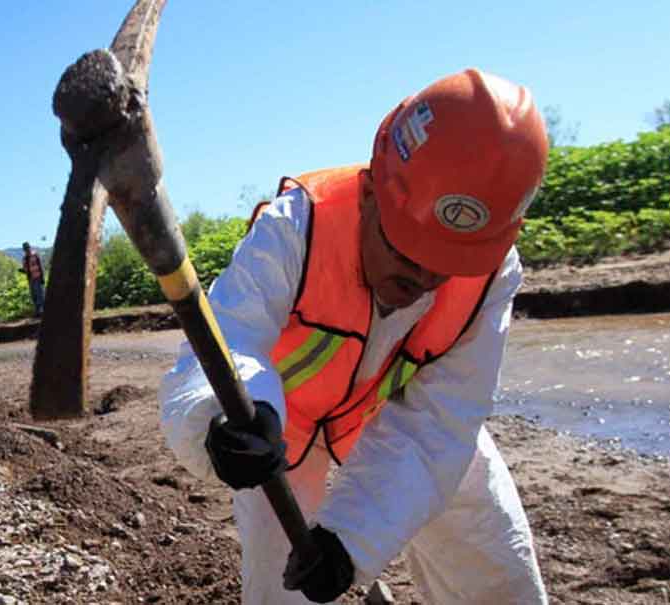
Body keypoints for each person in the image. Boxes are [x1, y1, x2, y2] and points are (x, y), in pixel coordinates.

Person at [160, 68, 550, 604]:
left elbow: (440, 422)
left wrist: (351, 544)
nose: (422, 281)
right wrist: (225, 418)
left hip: (389, 418)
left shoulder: (490, 275)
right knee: (281, 591)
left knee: (492, 559)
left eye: (446, 265)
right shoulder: (297, 225)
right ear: (372, 192)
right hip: (279, 432)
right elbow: (230, 338)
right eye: (407, 251)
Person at [20, 242, 45, 317]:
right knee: (33, 295)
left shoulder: (35, 255)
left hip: (37, 277)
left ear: (29, 247)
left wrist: (42, 277)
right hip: (30, 279)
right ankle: (37, 311)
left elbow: (40, 266)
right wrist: (22, 271)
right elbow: (26, 269)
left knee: (39, 294)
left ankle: (42, 310)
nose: (26, 250)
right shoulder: (24, 259)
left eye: (27, 248)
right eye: (25, 249)